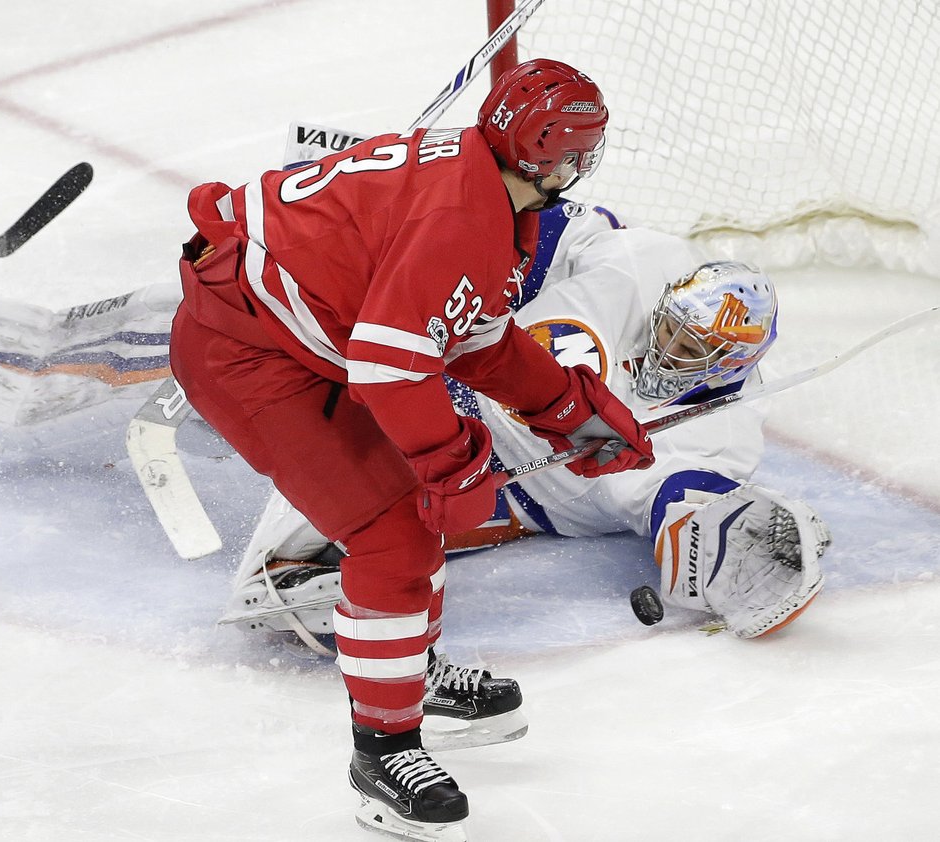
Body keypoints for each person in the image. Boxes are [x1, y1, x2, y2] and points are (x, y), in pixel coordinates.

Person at [166, 59, 653, 841]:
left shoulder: (478, 179)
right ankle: (383, 755)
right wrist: (454, 461)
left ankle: (408, 674)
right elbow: (391, 364)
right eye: (575, 153)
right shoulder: (466, 218)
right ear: (555, 157)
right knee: (393, 535)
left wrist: (571, 410)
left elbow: (474, 342)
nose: (578, 167)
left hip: (284, 336)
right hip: (247, 356)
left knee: (407, 531)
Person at [223, 198, 832, 660]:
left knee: (377, 481)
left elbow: (689, 520)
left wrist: (748, 543)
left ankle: (288, 563)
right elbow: (559, 252)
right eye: (669, 326)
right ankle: (244, 316)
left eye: (690, 346)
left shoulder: (720, 441)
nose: (666, 346)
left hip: (514, 489)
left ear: (731, 365)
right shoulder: (645, 266)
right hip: (473, 361)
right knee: (353, 318)